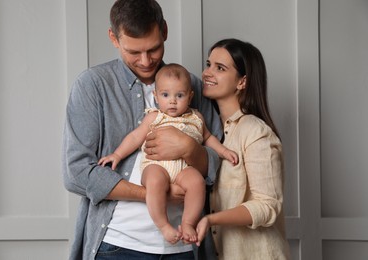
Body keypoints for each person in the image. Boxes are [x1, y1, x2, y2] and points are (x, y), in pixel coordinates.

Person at [62, 0, 223, 259]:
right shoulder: (92, 86)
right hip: (118, 245)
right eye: (134, 52)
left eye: (154, 49)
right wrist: (153, 194)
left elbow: (216, 164)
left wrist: (189, 148)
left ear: (165, 32)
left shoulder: (190, 84)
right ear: (114, 38)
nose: (146, 61)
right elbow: (77, 173)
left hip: (184, 248)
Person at [98, 63, 238, 244]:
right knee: (155, 181)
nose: (172, 101)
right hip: (157, 166)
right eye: (165, 95)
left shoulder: (196, 118)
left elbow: (209, 138)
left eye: (179, 95)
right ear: (156, 96)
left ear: (190, 96)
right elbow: (134, 138)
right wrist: (116, 155)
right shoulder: (154, 117)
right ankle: (163, 225)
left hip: (183, 169)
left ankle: (188, 223)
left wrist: (224, 151)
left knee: (196, 181)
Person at [195, 38, 291, 259]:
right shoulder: (206, 131)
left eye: (220, 68)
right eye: (208, 64)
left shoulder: (257, 133)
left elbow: (267, 206)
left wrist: (211, 219)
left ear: (242, 82)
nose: (207, 72)